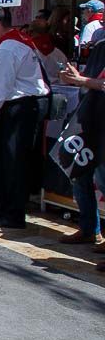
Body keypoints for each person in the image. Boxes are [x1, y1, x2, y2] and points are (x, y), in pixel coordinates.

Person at [0, 6, 48, 230]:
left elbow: (1, 88)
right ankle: (4, 207)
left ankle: (14, 214)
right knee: (8, 161)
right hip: (22, 105)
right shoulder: (18, 41)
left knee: (14, 162)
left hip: (20, 107)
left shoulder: (7, 48)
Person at [58, 38, 105, 249]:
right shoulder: (100, 45)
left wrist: (81, 80)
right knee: (80, 174)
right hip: (91, 119)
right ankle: (89, 229)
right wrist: (75, 78)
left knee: (102, 181)